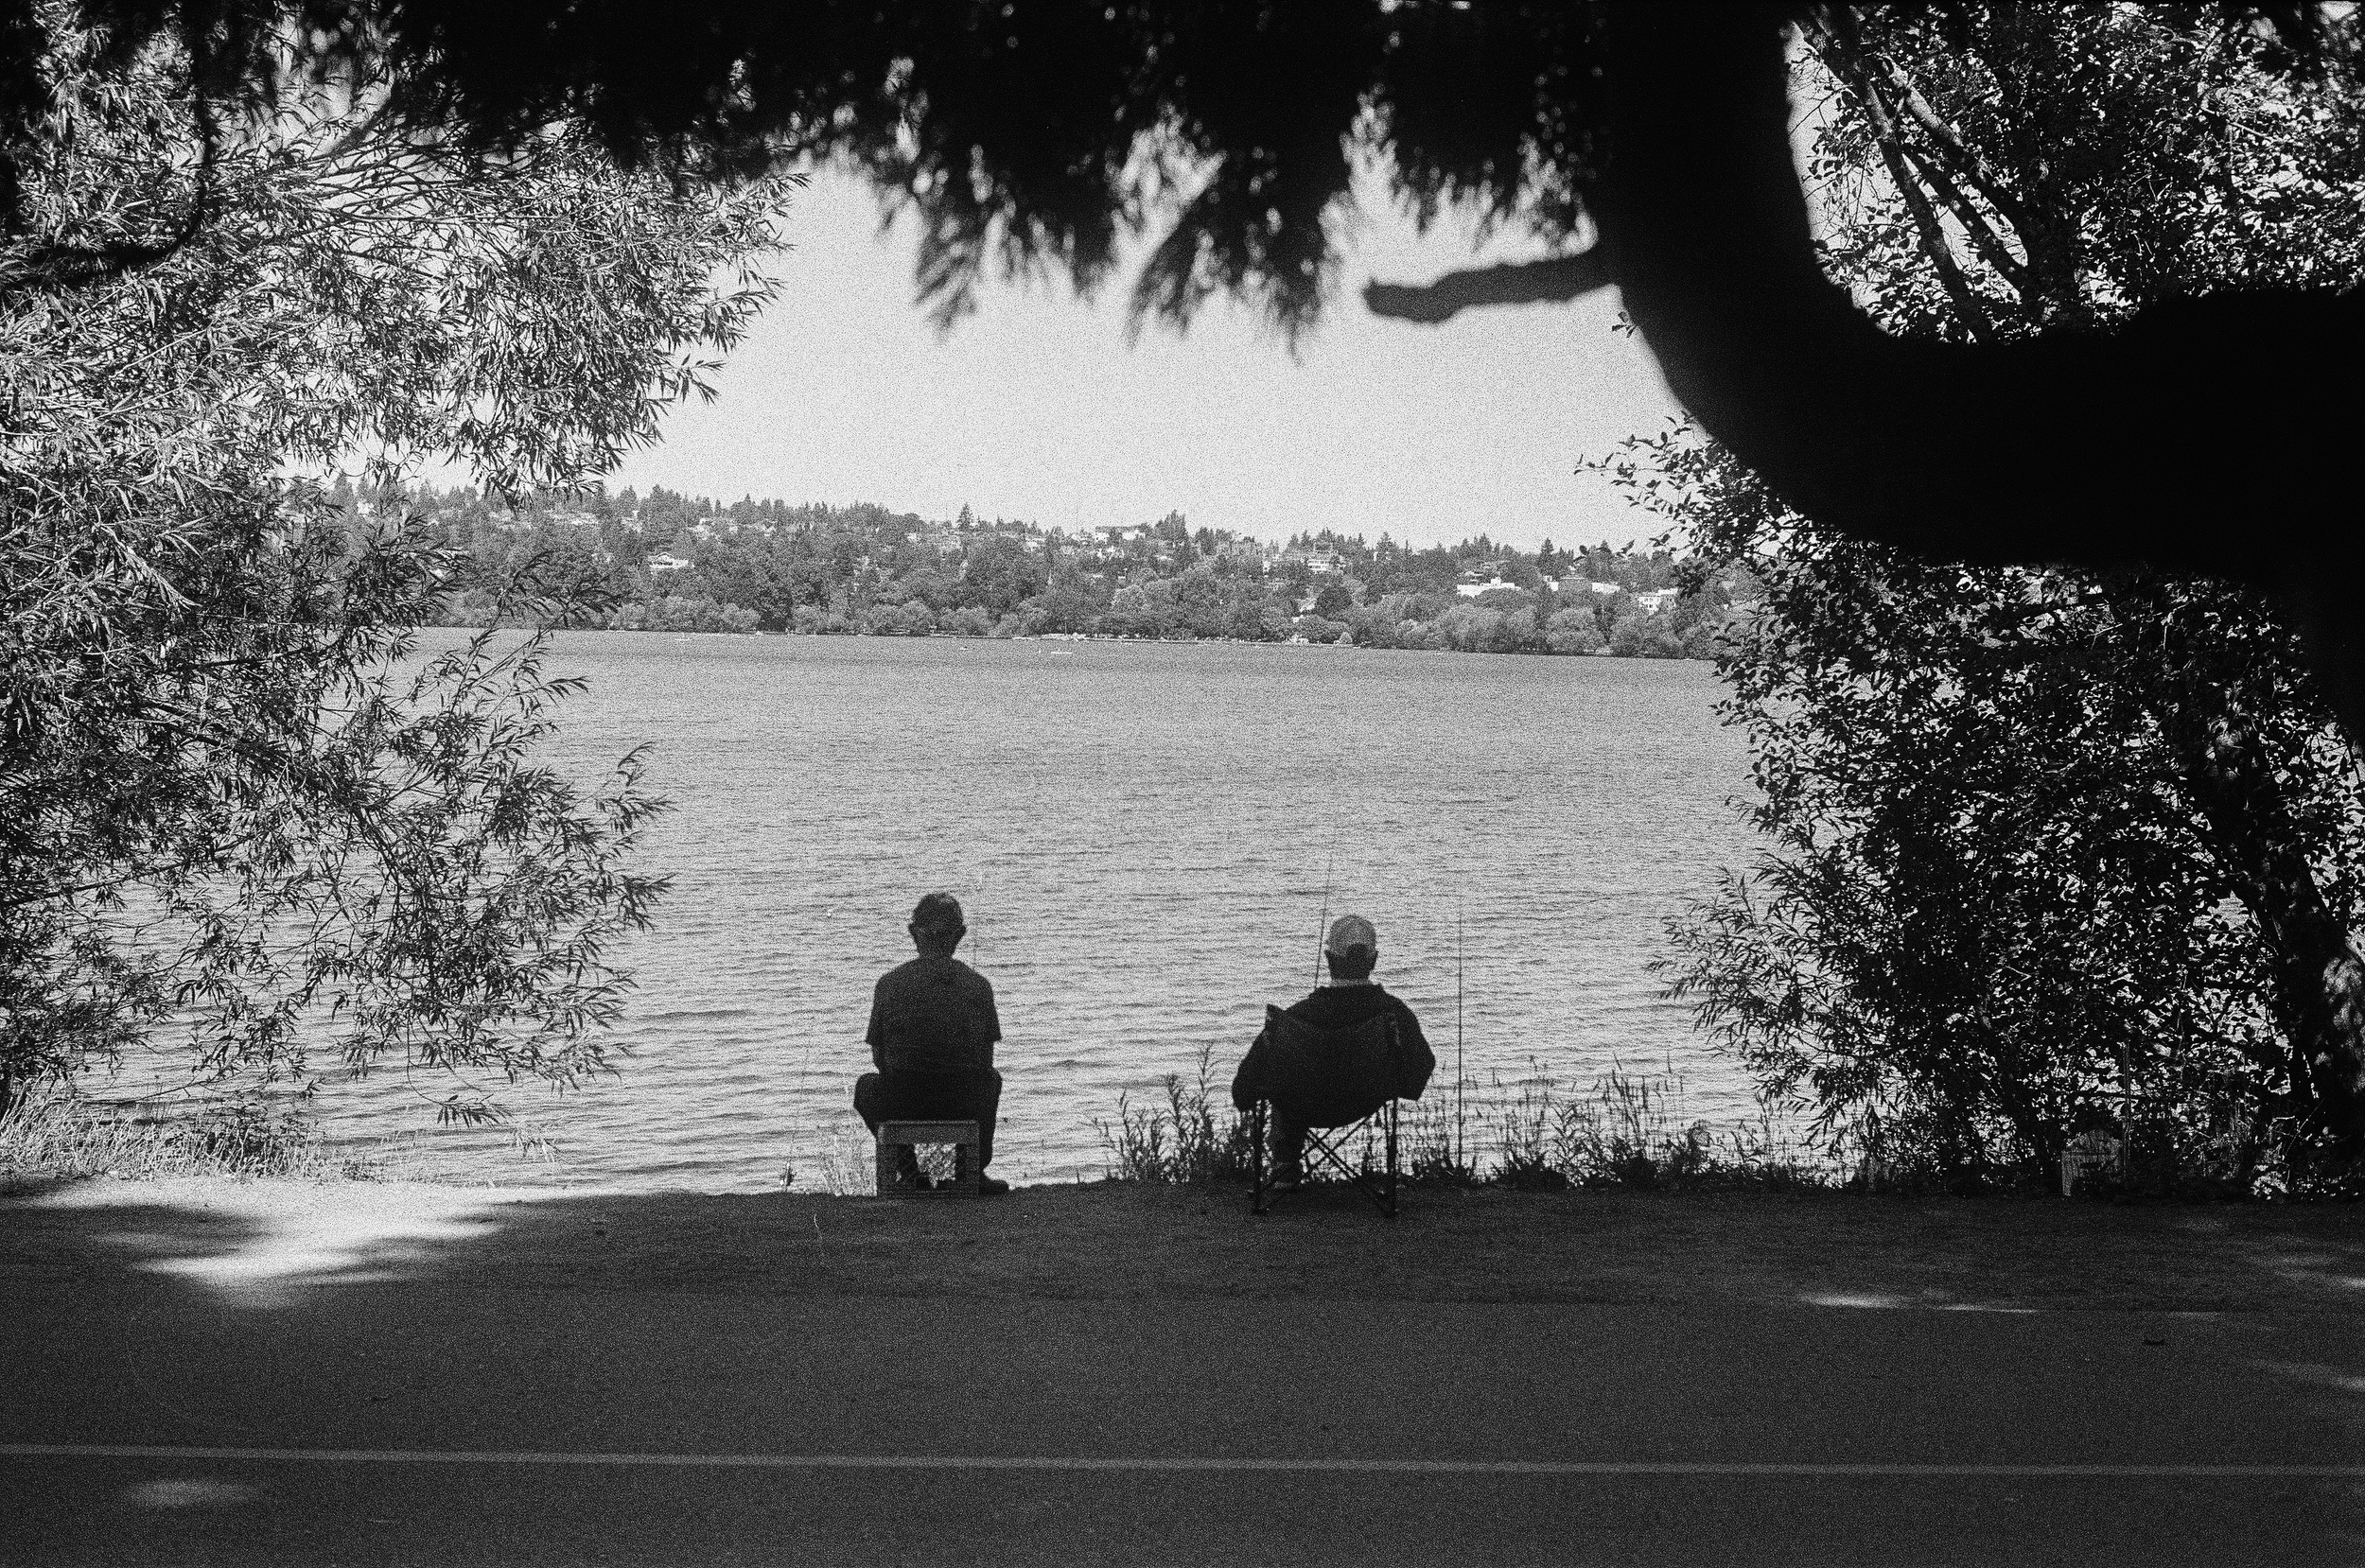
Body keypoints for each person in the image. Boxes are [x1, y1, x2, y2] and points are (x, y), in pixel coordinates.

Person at [1231, 913, 1435, 1193]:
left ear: (1329, 959)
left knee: (1282, 1074)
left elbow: (1248, 1079)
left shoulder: (1293, 1018)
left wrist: (1247, 1094)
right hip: (1363, 1100)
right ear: (1373, 960)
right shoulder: (1394, 1013)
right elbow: (1420, 1067)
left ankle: (1285, 1167)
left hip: (1302, 1106)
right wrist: (1393, 1080)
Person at [853, 892, 1009, 1195]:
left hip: (905, 1102)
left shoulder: (889, 984)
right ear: (960, 935)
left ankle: (909, 1172)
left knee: (866, 1088)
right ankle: (972, 1172)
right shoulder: (978, 986)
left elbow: (878, 1058)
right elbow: (984, 1061)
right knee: (990, 1080)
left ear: (914, 933)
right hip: (961, 1102)